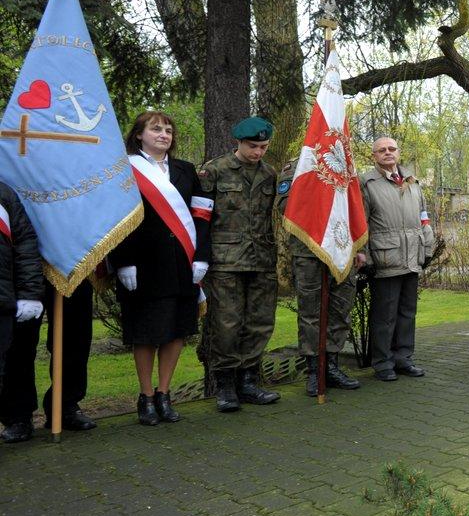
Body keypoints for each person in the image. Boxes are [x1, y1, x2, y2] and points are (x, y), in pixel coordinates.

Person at [110, 111, 211, 425]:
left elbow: (202, 216)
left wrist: (202, 256)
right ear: (139, 135)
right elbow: (117, 217)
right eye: (156, 129)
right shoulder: (124, 169)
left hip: (182, 263)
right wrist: (123, 261)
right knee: (145, 332)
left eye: (168, 130)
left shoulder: (185, 170)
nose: (164, 134)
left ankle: (164, 394)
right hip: (142, 265)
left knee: (176, 329)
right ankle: (145, 396)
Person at [197, 117, 280, 413]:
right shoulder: (214, 170)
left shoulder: (269, 174)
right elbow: (200, 218)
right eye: (253, 146)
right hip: (225, 261)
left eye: (263, 147)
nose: (258, 152)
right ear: (239, 142)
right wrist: (200, 257)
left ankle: (248, 381)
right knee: (226, 324)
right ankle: (225, 385)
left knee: (260, 322)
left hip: (262, 259)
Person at [277, 159, 364, 396]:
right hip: (309, 250)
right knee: (311, 312)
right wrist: (321, 197)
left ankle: (331, 367)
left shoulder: (346, 164)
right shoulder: (300, 163)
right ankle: (314, 370)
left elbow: (358, 208)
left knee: (340, 310)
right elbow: (285, 206)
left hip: (343, 249)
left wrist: (360, 247)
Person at [356, 137, 434, 381]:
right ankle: (383, 363)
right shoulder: (367, 183)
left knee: (407, 314)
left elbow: (423, 218)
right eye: (382, 150)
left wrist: (427, 248)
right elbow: (361, 223)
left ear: (398, 152)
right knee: (384, 316)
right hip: (385, 258)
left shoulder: (412, 182)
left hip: (412, 258)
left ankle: (403, 359)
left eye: (392, 149)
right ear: (374, 156)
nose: (387, 153)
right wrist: (365, 255)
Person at [0, 279, 93, 441]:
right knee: (19, 340)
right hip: (25, 272)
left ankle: (65, 404)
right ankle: (18, 414)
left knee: (75, 334)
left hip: (71, 268)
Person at [0, 181, 46, 442]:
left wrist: (29, 293)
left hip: (2, 300)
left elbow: (25, 245)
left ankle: (17, 417)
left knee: (9, 365)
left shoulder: (4, 194)